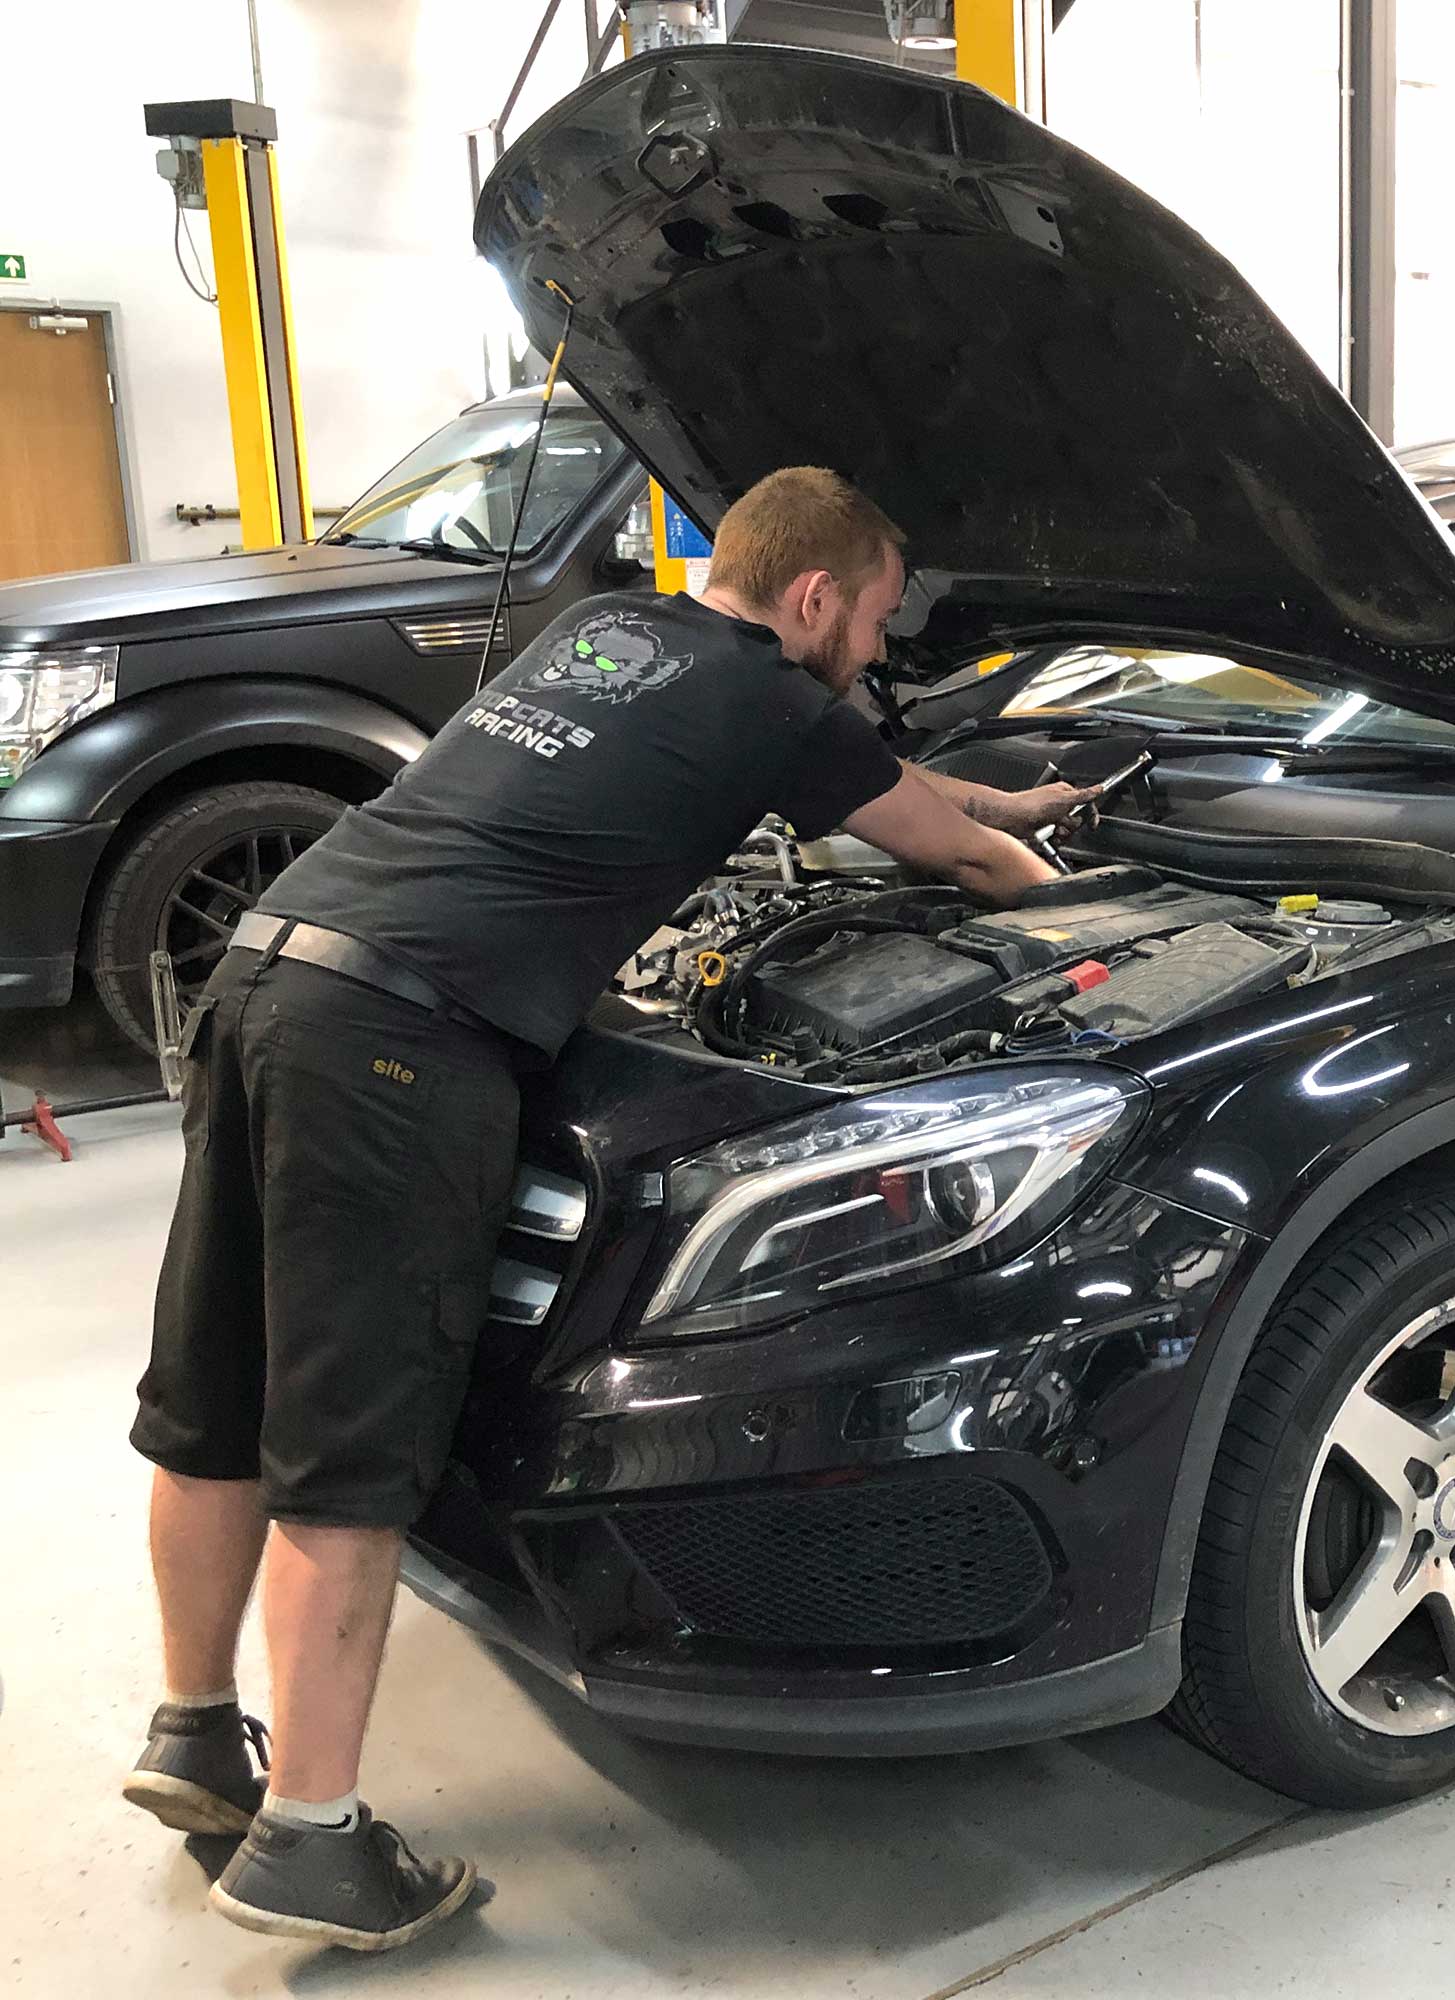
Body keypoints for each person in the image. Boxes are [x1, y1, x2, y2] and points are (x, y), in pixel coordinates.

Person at [123, 466, 1092, 1952]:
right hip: (402, 1041)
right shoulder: (773, 698)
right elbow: (948, 850)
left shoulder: (611, 634)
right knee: (353, 1442)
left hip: (274, 974)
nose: (881, 657)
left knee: (217, 1388)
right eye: (879, 624)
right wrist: (1063, 889)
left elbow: (900, 788)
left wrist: (1014, 795)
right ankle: (312, 1838)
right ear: (815, 596)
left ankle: (194, 1734)